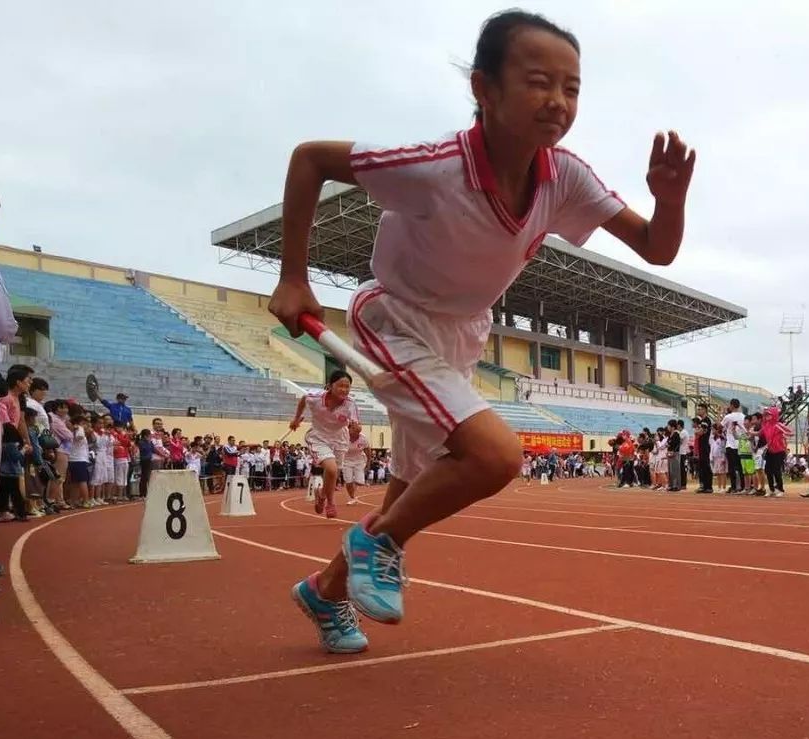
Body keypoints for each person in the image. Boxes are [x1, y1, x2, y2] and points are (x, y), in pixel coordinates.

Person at [267, 10, 696, 652]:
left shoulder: (566, 176)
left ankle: (325, 592)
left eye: (571, 88)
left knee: (414, 489)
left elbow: (657, 250)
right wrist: (293, 277)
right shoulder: (436, 168)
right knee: (495, 457)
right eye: (538, 81)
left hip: (466, 335)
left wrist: (670, 199)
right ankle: (371, 544)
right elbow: (310, 161)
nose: (557, 101)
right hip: (397, 319)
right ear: (484, 89)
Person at [289, 370, 359, 519]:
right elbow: (303, 399)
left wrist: (356, 428)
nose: (344, 390)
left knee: (333, 474)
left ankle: (321, 496)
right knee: (332, 469)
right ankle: (330, 503)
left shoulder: (350, 404)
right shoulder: (315, 398)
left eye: (347, 387)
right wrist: (296, 419)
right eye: (340, 386)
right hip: (319, 437)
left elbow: (357, 426)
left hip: (340, 438)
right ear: (330, 386)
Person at [342, 423, 370, 503]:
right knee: (348, 482)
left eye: (359, 432)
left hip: (359, 461)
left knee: (360, 482)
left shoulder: (363, 438)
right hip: (346, 461)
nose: (357, 434)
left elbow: (368, 450)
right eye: (355, 431)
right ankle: (352, 497)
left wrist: (368, 463)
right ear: (349, 429)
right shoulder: (343, 437)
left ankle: (355, 481)